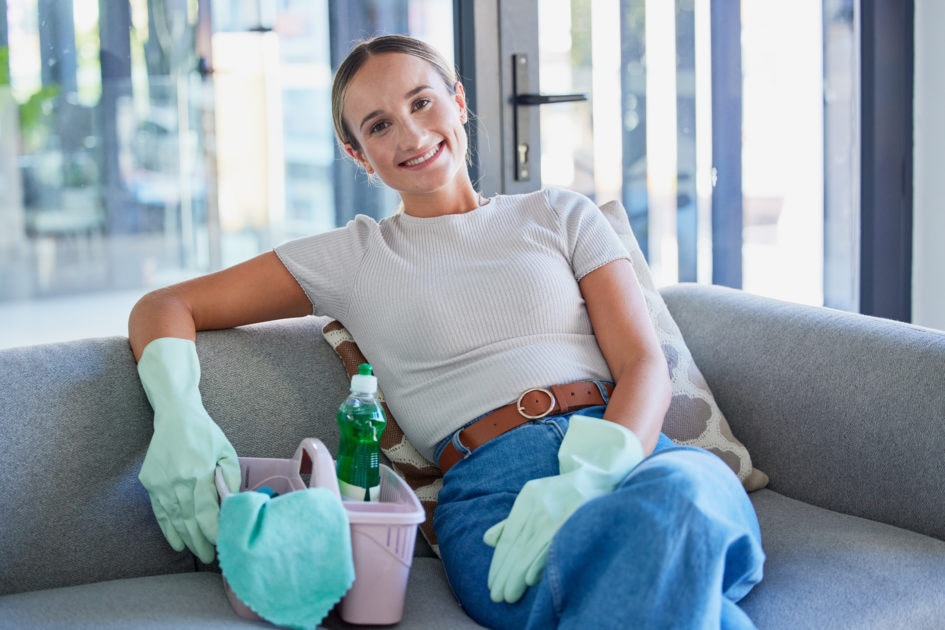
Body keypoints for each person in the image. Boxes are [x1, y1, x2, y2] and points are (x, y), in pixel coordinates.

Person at [129, 34, 764, 629]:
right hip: (494, 495)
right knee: (674, 569)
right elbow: (167, 305)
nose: (410, 132)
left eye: (422, 101)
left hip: (634, 455)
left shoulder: (560, 214)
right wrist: (178, 416)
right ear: (359, 155)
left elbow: (643, 366)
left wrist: (589, 479)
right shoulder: (352, 257)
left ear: (457, 102)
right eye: (378, 125)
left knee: (680, 497)